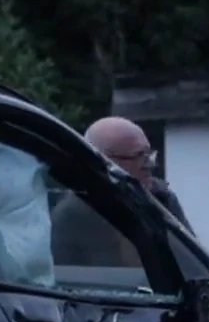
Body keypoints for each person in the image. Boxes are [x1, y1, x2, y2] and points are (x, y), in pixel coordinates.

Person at [51, 116, 194, 271]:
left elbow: (194, 263)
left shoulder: (162, 200)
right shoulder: (71, 216)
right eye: (139, 156)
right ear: (104, 162)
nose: (150, 164)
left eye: (149, 154)